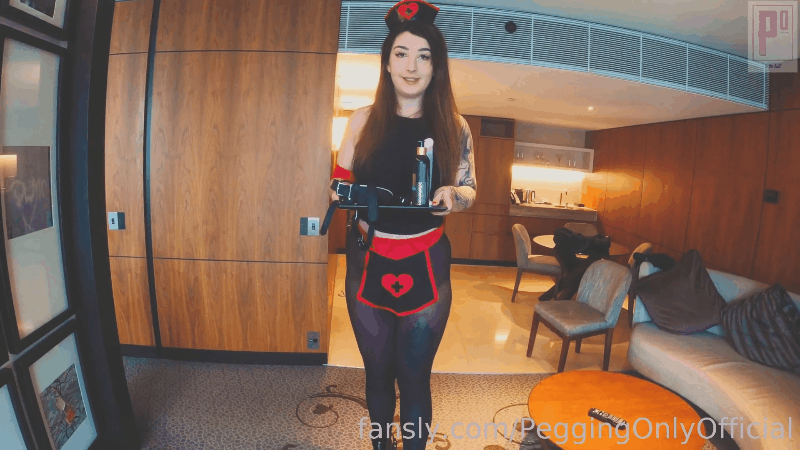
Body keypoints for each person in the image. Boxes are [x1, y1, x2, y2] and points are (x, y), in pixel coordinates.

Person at [328, 1, 476, 448]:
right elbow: (338, 184)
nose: (412, 66)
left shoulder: (454, 126)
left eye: (423, 56)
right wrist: (346, 194)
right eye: (401, 53)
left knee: (414, 378)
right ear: (387, 63)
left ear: (436, 66)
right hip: (367, 261)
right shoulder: (361, 121)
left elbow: (469, 189)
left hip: (426, 264)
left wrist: (453, 196)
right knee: (377, 374)